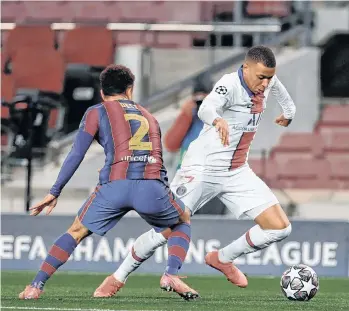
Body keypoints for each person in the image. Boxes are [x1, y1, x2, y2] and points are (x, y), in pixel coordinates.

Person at [94, 45, 296, 296]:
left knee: (279, 228)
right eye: (261, 77)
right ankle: (118, 276)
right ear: (246, 68)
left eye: (269, 77)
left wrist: (289, 113)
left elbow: (282, 93)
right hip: (201, 168)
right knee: (167, 229)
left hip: (236, 171)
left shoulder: (267, 80)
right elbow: (205, 108)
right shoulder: (228, 84)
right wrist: (217, 119)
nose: (265, 84)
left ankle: (222, 258)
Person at [18, 64, 199, 301]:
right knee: (183, 220)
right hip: (151, 186)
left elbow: (76, 153)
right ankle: (171, 273)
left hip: (115, 187)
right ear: (130, 90)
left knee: (76, 231)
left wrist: (55, 191)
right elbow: (156, 159)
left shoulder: (97, 111)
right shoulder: (149, 116)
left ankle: (35, 287)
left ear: (102, 92)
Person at [164, 75, 227, 215]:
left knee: (209, 225)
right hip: (186, 183)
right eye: (198, 99)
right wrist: (185, 114)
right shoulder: (189, 118)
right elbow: (170, 144)